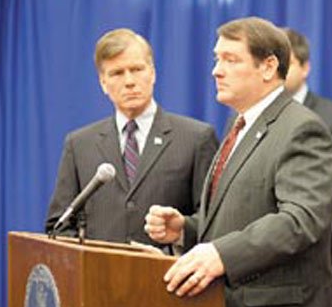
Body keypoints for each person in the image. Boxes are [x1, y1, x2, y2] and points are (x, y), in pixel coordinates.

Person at [144, 17, 332, 307]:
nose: (216, 70)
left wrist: (218, 253)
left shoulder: (301, 128)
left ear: (269, 67)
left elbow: (301, 220)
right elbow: (237, 220)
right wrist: (187, 229)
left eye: (230, 59)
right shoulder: (239, 128)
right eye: (216, 59)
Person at [45, 28, 218, 245]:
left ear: (152, 73)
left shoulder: (196, 138)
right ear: (103, 83)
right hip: (97, 276)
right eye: (117, 73)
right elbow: (59, 226)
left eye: (136, 69)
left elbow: (214, 222)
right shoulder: (79, 144)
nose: (129, 81)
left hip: (166, 275)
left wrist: (181, 230)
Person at [282, 27, 332, 298]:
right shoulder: (241, 117)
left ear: (305, 67)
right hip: (255, 261)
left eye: (285, 62)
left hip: (317, 255)